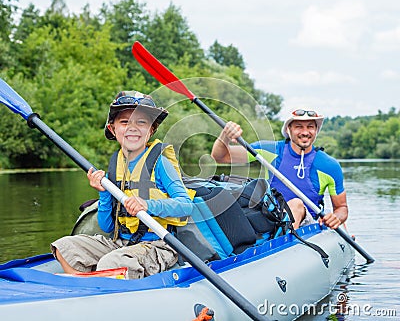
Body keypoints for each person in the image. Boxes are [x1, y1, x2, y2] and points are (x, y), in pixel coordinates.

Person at [51, 91, 194, 279]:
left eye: (141, 122)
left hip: (157, 245)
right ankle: (89, 285)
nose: (132, 128)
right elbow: (107, 226)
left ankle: (100, 282)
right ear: (112, 129)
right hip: (120, 243)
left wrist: (148, 205)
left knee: (110, 263)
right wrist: (103, 194)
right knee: (63, 246)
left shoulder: (160, 163)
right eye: (125, 122)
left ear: (151, 129)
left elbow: (185, 205)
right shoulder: (114, 167)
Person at [211, 108, 348, 230]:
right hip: (269, 217)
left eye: (310, 127)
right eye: (299, 127)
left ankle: (282, 240)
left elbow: (341, 208)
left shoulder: (329, 165)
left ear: (316, 130)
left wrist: (336, 218)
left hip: (306, 225)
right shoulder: (269, 150)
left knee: (296, 204)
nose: (305, 132)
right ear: (289, 130)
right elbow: (220, 157)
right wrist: (225, 135)